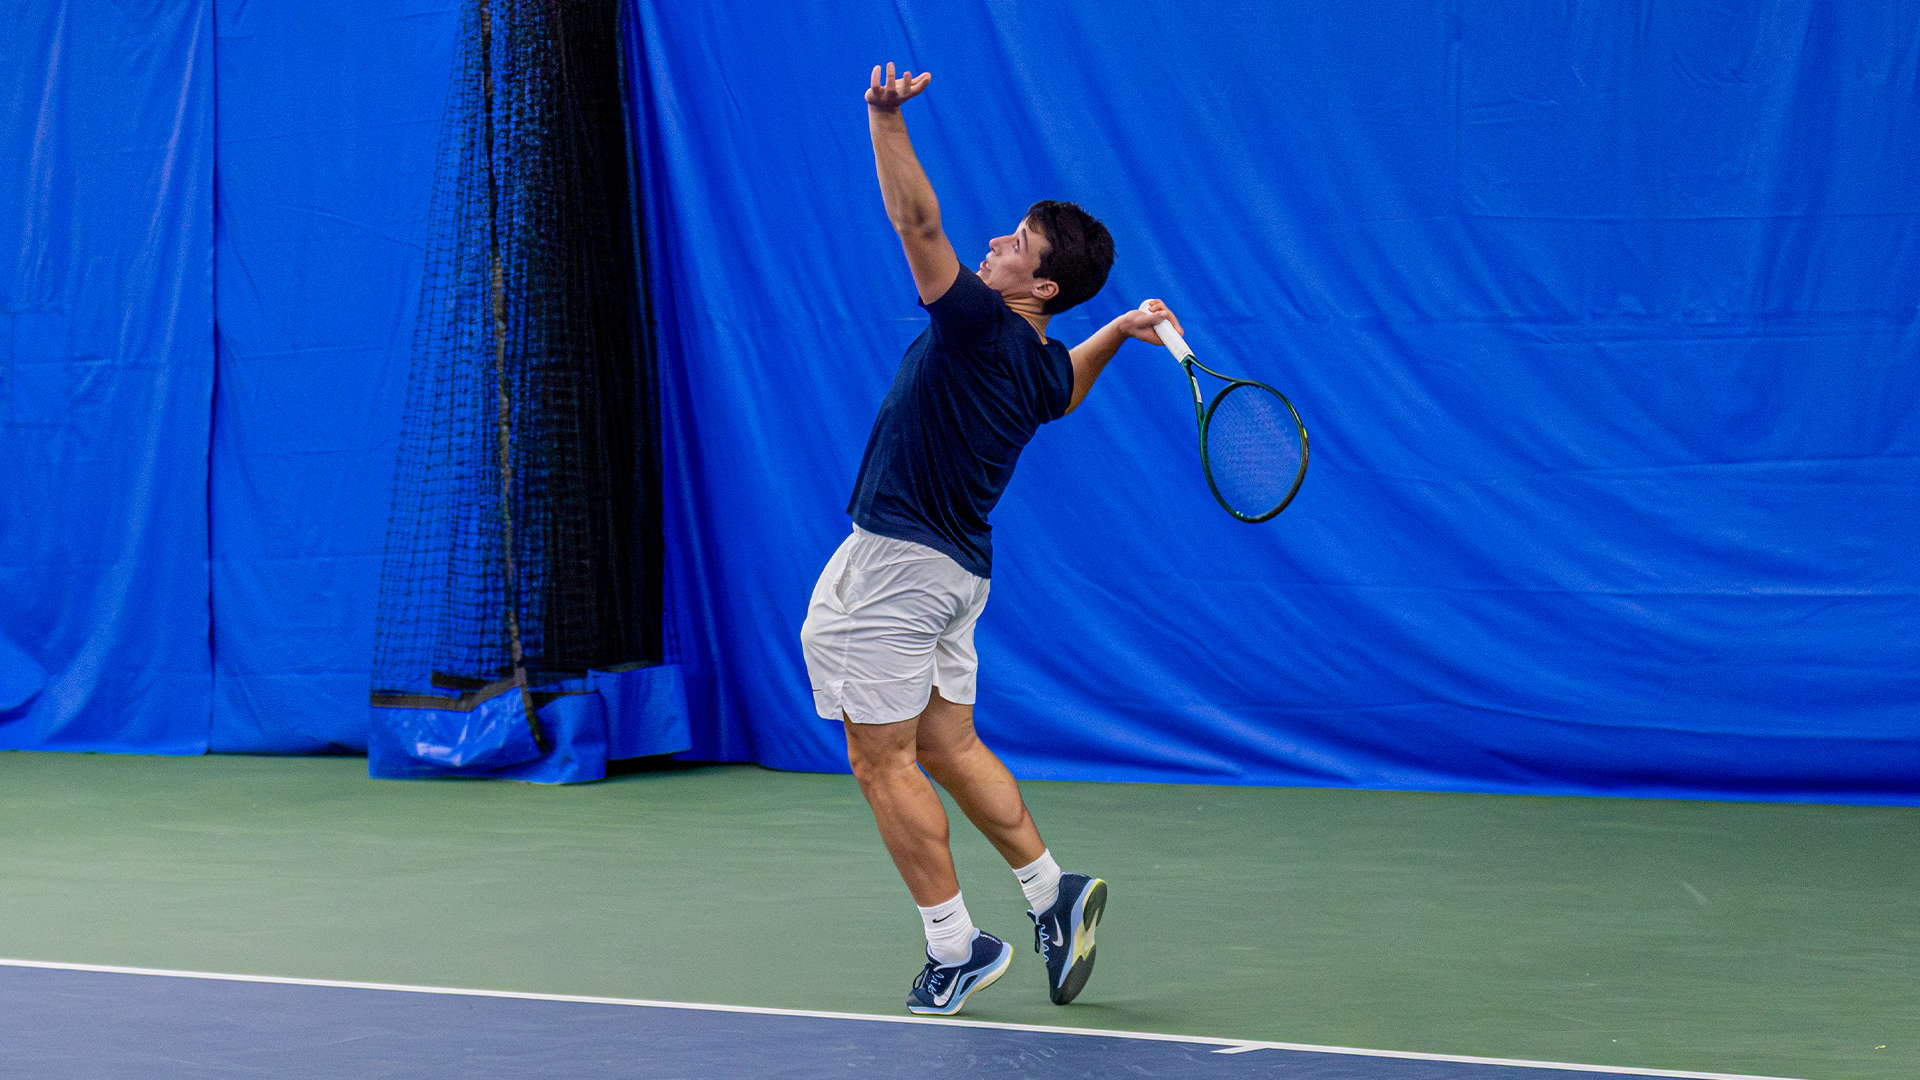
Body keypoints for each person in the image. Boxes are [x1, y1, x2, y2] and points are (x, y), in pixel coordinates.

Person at [799, 62, 1186, 1017]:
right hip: (958, 575)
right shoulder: (1041, 361)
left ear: (1039, 283)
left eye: (1014, 244)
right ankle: (1051, 892)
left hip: (894, 566)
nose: (993, 243)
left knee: (880, 759)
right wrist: (1119, 331)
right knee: (948, 741)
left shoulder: (977, 325)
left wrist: (886, 119)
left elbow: (917, 226)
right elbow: (1064, 388)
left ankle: (956, 946)